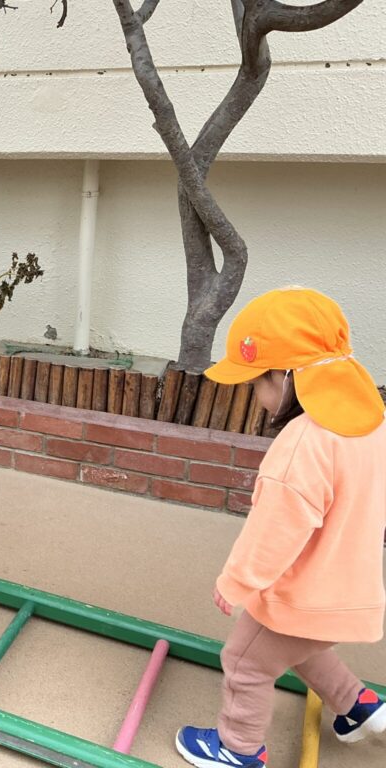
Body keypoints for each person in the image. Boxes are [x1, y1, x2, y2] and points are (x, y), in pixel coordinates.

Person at [176, 287, 386, 768]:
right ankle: (357, 705)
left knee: (246, 661)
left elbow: (276, 529)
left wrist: (236, 581)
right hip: (347, 590)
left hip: (303, 593)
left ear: (288, 377)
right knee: (299, 646)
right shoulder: (371, 423)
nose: (256, 395)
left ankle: (238, 748)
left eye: (257, 381)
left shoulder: (303, 445)